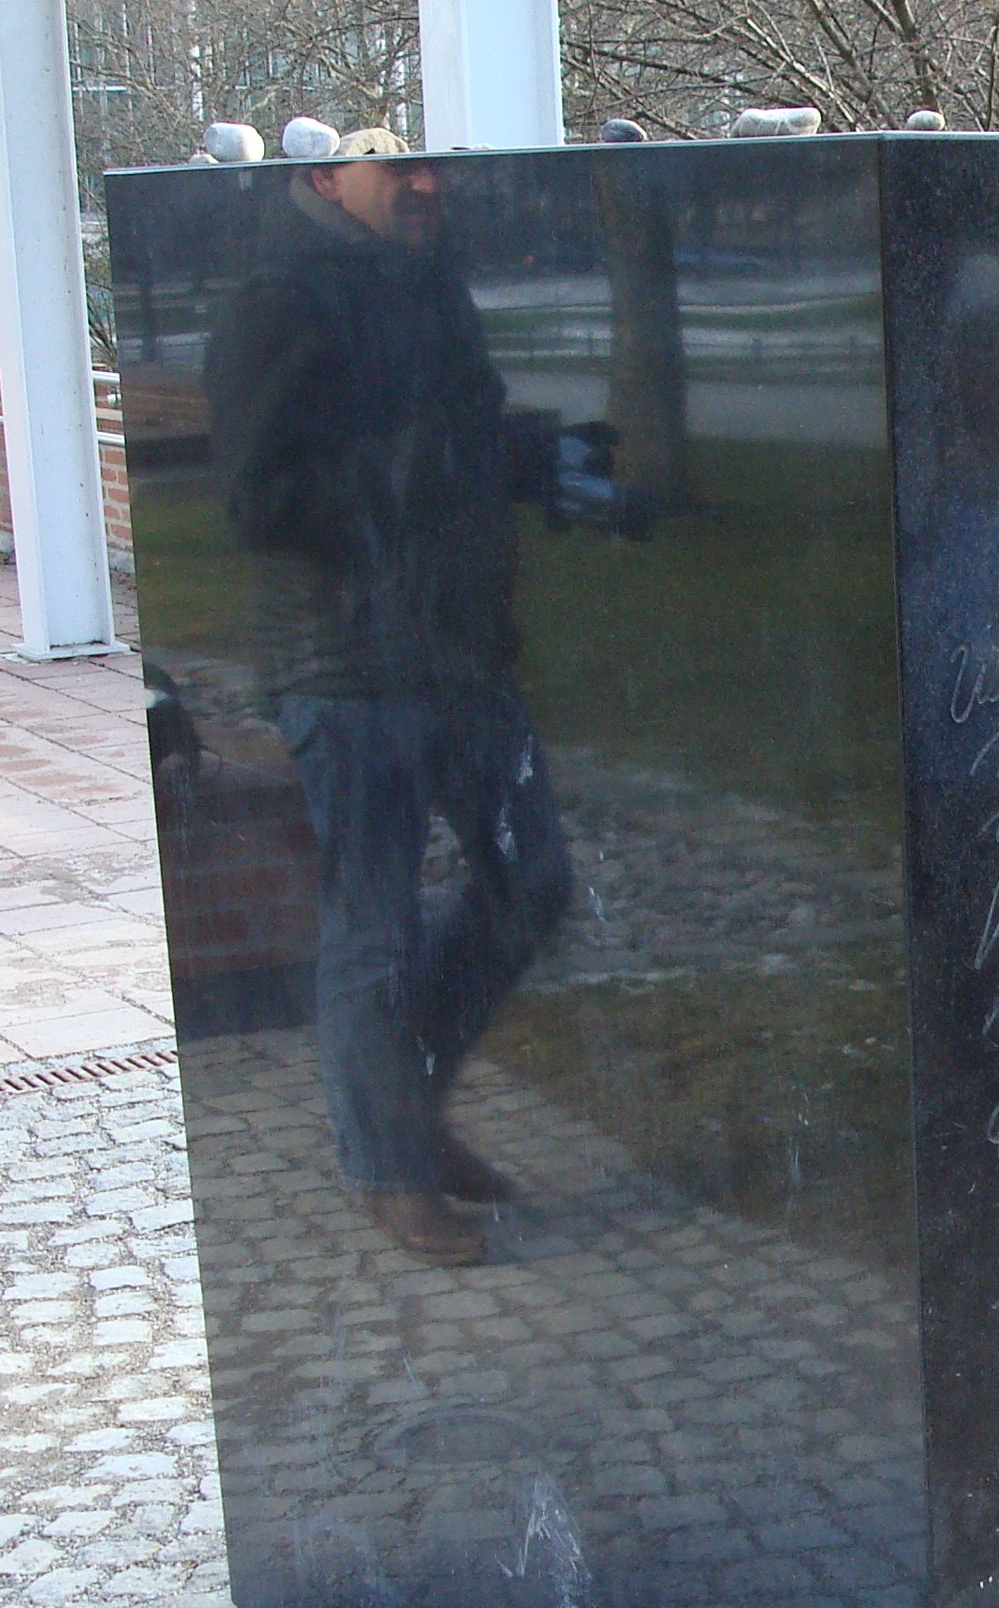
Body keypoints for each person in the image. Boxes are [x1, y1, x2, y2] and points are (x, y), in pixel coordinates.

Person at [205, 128, 570, 1265]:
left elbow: (463, 440)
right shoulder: (280, 300)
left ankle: (403, 1106)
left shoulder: (428, 285)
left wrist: (542, 464)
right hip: (347, 664)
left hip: (457, 651)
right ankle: (389, 1168)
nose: (426, 183)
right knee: (374, 924)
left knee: (532, 880)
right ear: (326, 176)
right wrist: (419, 467)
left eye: (433, 165)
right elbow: (261, 503)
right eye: (396, 164)